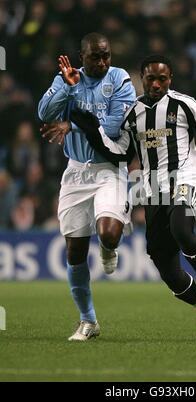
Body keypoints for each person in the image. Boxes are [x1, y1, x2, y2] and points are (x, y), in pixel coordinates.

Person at [71, 55, 196, 341]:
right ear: (143, 78)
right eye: (150, 78)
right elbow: (120, 152)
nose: (156, 84)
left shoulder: (184, 104)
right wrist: (94, 130)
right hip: (152, 189)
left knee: (181, 229)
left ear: (170, 79)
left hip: (186, 177)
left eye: (162, 78)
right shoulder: (133, 113)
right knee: (167, 268)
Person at [38, 33, 136, 341]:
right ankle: (88, 321)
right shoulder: (67, 79)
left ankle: (109, 247)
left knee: (108, 232)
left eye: (106, 55)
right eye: (96, 57)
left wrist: (71, 125)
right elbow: (44, 113)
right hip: (77, 173)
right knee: (75, 251)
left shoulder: (120, 79)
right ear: (82, 57)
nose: (103, 61)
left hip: (109, 169)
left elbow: (112, 127)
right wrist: (68, 89)